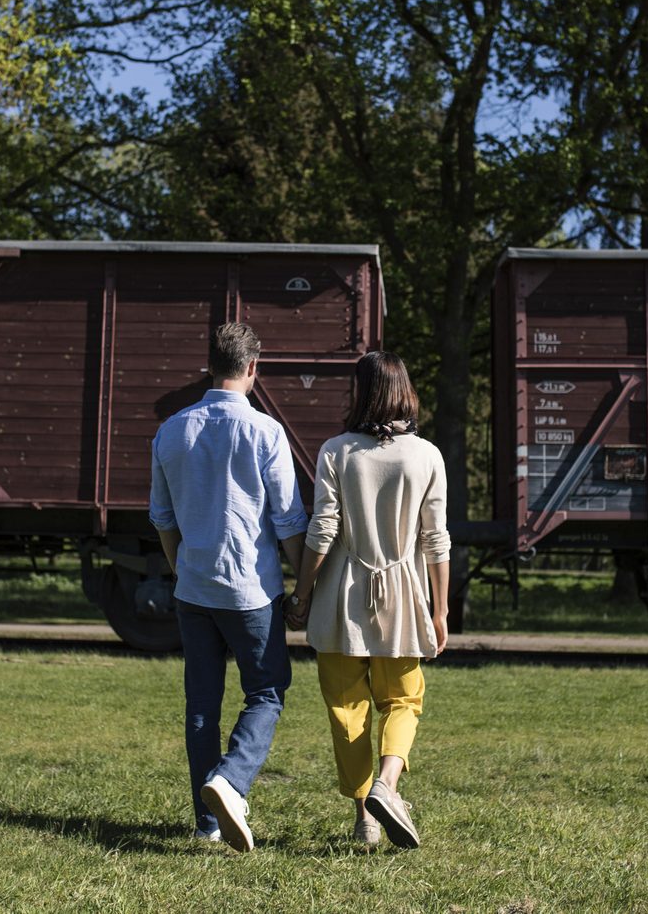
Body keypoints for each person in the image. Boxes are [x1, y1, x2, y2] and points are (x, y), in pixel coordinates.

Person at [149, 321, 308, 853]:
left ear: (210, 366)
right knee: (266, 690)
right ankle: (231, 781)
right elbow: (288, 522)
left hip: (193, 589)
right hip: (250, 591)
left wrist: (180, 570)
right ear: (253, 369)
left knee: (201, 706)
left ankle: (207, 823)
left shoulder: (171, 430)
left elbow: (162, 517)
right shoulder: (266, 432)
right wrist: (301, 588)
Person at [285, 351, 451, 849]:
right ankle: (388, 785)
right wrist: (440, 610)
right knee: (403, 700)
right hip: (403, 596)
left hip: (340, 598)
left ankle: (366, 816)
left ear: (361, 393)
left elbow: (323, 530)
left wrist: (302, 592)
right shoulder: (426, 455)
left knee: (346, 707)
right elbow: (435, 540)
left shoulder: (336, 451)